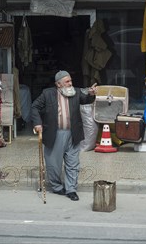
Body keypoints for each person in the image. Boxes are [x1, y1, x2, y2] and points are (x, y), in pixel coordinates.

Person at [31, 70, 97, 201]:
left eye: (71, 81)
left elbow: (86, 100)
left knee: (73, 163)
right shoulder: (47, 93)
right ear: (58, 84)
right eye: (67, 81)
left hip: (73, 134)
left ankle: (71, 189)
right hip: (55, 134)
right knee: (54, 164)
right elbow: (34, 107)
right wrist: (37, 123)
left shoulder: (76, 92)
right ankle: (56, 186)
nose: (70, 83)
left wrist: (91, 94)